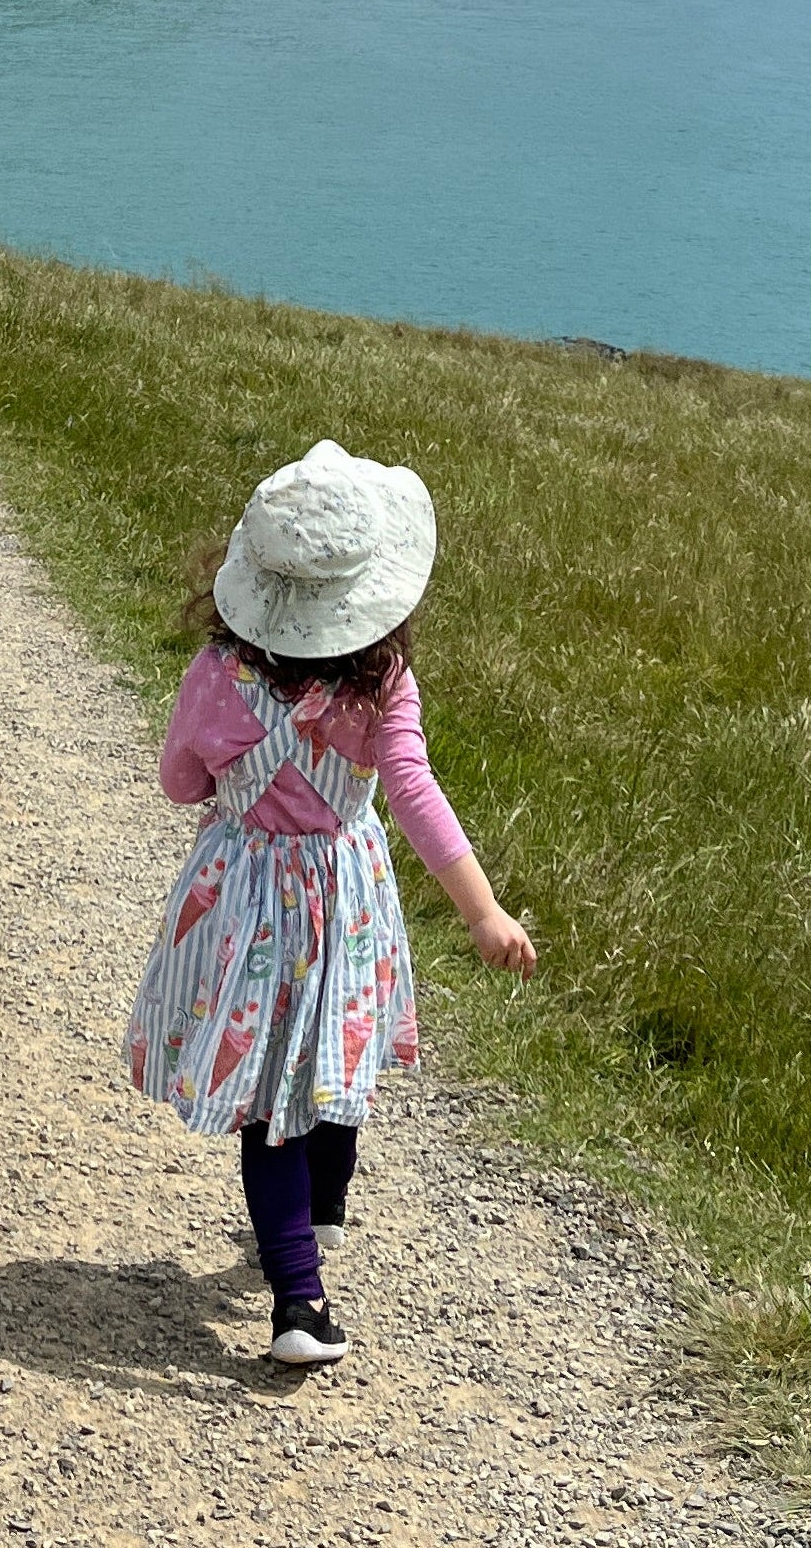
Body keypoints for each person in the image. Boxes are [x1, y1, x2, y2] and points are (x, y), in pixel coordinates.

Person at [124, 440, 536, 1366]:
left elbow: (176, 781)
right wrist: (481, 911)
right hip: (344, 899)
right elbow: (416, 794)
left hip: (244, 908)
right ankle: (320, 1214)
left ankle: (297, 1299)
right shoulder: (380, 684)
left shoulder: (215, 678)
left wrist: (236, 788)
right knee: (335, 1058)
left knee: (269, 1099)